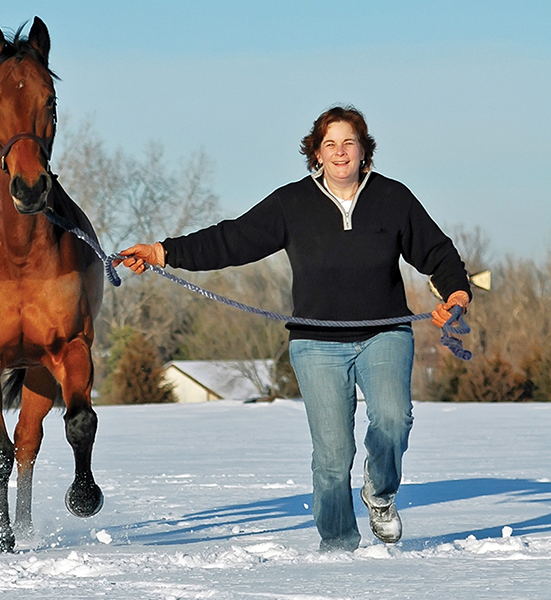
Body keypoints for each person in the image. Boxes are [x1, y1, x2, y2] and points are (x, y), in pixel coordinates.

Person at [113, 105, 471, 551]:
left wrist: (455, 295)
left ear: (364, 151)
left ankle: (380, 493)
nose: (340, 152)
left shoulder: (393, 198)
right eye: (330, 144)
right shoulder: (292, 203)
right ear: (316, 154)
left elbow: (437, 253)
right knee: (333, 456)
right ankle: (338, 545)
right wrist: (163, 251)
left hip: (385, 334)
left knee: (394, 419)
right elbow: (231, 238)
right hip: (317, 344)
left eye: (349, 143)